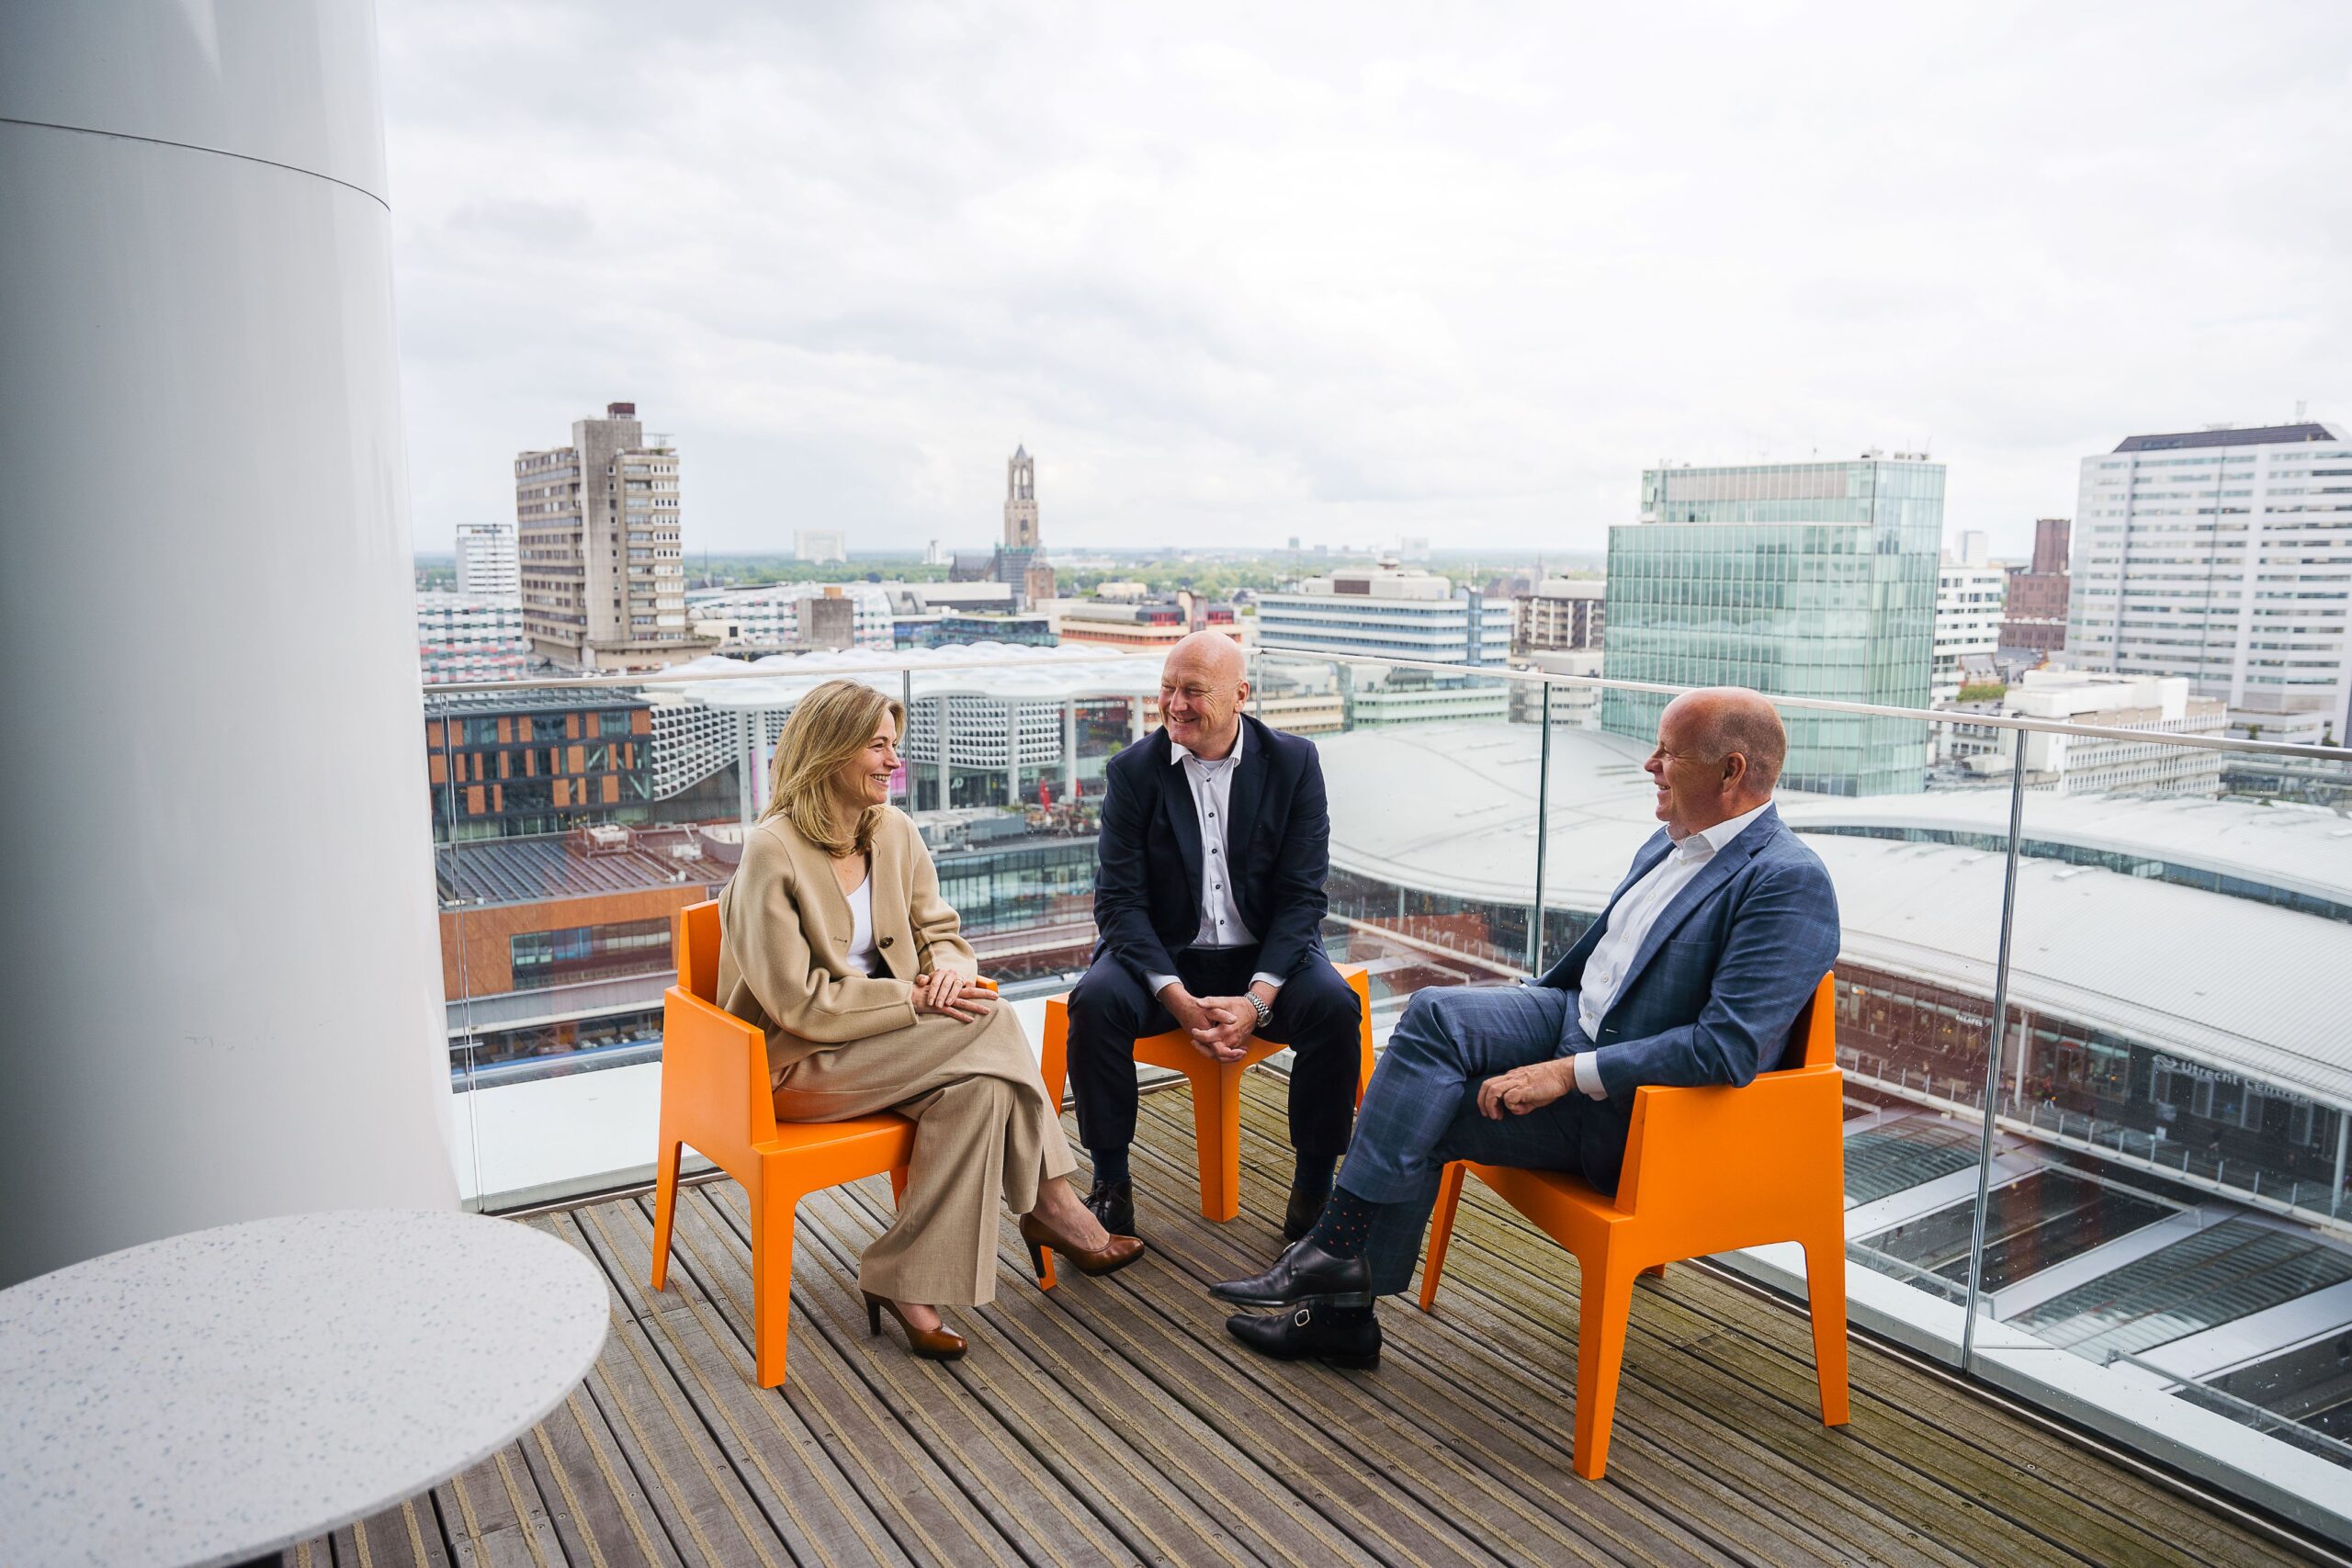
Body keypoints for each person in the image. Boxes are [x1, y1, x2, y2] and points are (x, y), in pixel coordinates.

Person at [1211, 687, 1839, 1369]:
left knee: (1429, 1108)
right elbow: (1603, 967)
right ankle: (1335, 1258)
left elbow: (1728, 1047)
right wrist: (1520, 1022)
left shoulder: (1787, 881)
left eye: (1669, 753)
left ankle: (1339, 1294)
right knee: (1433, 1013)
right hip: (1570, 1015)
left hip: (1641, 1116)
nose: (1650, 765)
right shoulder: (1670, 842)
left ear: (1731, 770)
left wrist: (1566, 1073)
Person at [718, 679, 1142, 1363]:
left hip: (886, 1045)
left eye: (895, 745)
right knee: (992, 1019)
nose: (894, 761)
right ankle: (1053, 1203)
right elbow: (796, 1001)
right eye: (877, 746)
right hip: (795, 1062)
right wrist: (915, 1000)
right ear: (830, 750)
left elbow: (938, 930)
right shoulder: (773, 850)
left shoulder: (894, 831)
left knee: (984, 1090)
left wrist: (946, 970)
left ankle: (904, 1279)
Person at [1067, 631, 1364, 1242]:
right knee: (1094, 1002)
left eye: (1193, 691)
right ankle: (1111, 1185)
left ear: (1239, 696)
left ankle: (1314, 1190)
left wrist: (1257, 1001)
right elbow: (1118, 903)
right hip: (1165, 959)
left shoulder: (1293, 763)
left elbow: (1303, 897)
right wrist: (1177, 999)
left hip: (1265, 959)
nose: (1175, 704)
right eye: (1167, 689)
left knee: (1335, 1007)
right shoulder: (1132, 772)